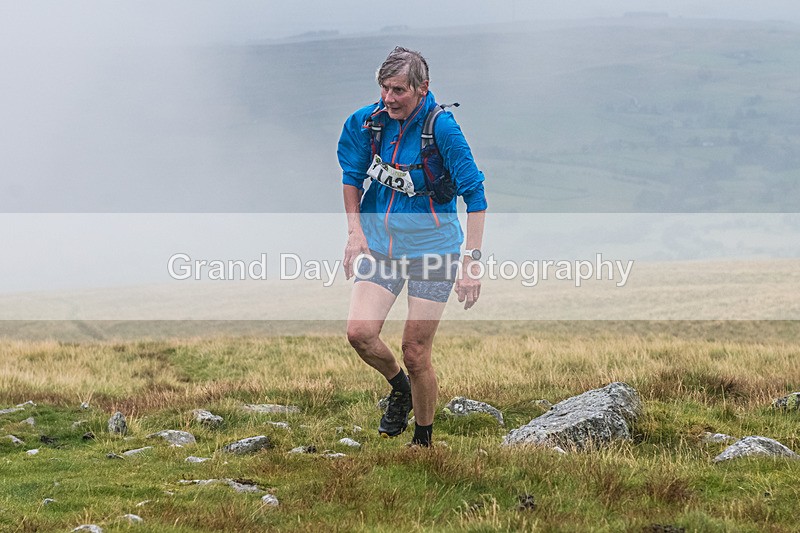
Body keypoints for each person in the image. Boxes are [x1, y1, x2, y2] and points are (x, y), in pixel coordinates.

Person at [337, 47, 487, 447]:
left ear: (423, 88)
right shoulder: (367, 124)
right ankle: (399, 389)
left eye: (399, 90)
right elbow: (352, 177)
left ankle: (422, 442)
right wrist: (355, 233)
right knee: (360, 334)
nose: (389, 98)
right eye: (384, 88)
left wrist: (471, 262)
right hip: (382, 248)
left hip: (433, 251)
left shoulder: (443, 129)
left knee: (415, 351)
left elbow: (475, 195)